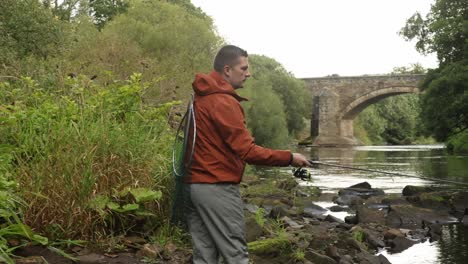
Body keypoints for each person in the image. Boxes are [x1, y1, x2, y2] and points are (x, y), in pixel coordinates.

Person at [185, 45, 311, 264]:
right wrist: (290, 158)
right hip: (217, 187)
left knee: (204, 256)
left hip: (195, 186)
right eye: (243, 68)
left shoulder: (201, 98)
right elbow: (248, 151)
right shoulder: (222, 102)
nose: (248, 73)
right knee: (236, 254)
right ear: (227, 70)